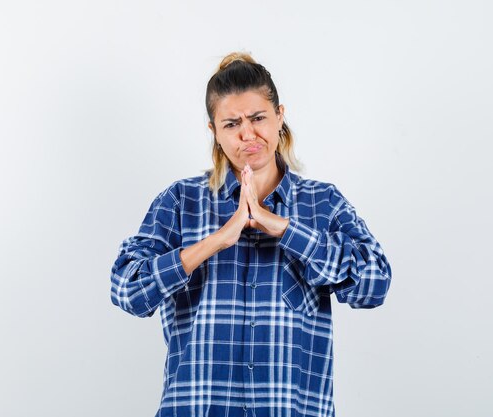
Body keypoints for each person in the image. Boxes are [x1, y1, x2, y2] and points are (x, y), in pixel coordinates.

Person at [110, 51, 392, 417]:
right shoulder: (181, 201)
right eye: (231, 124)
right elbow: (126, 289)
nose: (247, 134)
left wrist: (285, 229)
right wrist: (216, 241)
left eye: (258, 118)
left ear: (280, 117)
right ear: (214, 131)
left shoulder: (324, 203)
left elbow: (375, 284)